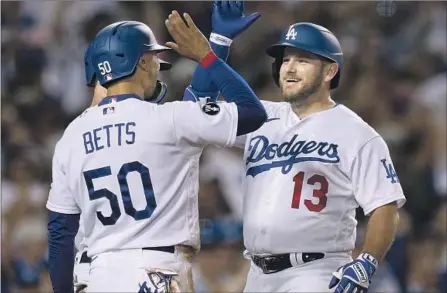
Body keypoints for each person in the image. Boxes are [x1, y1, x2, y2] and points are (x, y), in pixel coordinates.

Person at [46, 9, 267, 293]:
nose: (157, 65)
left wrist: (219, 40)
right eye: (153, 58)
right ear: (140, 62)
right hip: (156, 272)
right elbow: (251, 112)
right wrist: (208, 55)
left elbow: (59, 234)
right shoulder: (167, 120)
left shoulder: (71, 137)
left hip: (98, 275)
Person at [185, 22, 406, 293]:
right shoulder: (260, 116)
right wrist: (218, 44)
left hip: (316, 272)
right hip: (256, 274)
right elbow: (192, 113)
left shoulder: (357, 133)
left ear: (330, 71)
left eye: (302, 60)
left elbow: (385, 205)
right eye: (285, 59)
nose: (289, 68)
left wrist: (367, 261)